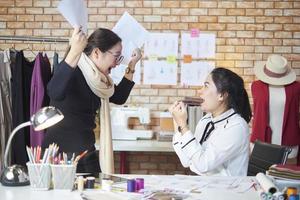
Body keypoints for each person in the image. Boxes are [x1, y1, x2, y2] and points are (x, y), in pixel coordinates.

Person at [42, 27, 141, 174]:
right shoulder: (74, 69)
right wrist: (74, 51)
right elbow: (54, 91)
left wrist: (132, 65)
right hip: (61, 158)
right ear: (96, 53)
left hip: (86, 154)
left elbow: (119, 97)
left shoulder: (99, 80)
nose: (117, 63)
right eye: (116, 56)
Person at [169, 67, 252, 176]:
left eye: (206, 86)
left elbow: (203, 165)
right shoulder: (206, 120)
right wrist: (178, 123)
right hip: (205, 186)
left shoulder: (236, 126)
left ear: (221, 95)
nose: (199, 91)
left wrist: (184, 125)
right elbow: (187, 161)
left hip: (227, 190)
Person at [251, 55, 300, 165]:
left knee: (287, 177)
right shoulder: (255, 85)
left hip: (289, 141)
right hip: (261, 140)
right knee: (260, 174)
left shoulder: (296, 87)